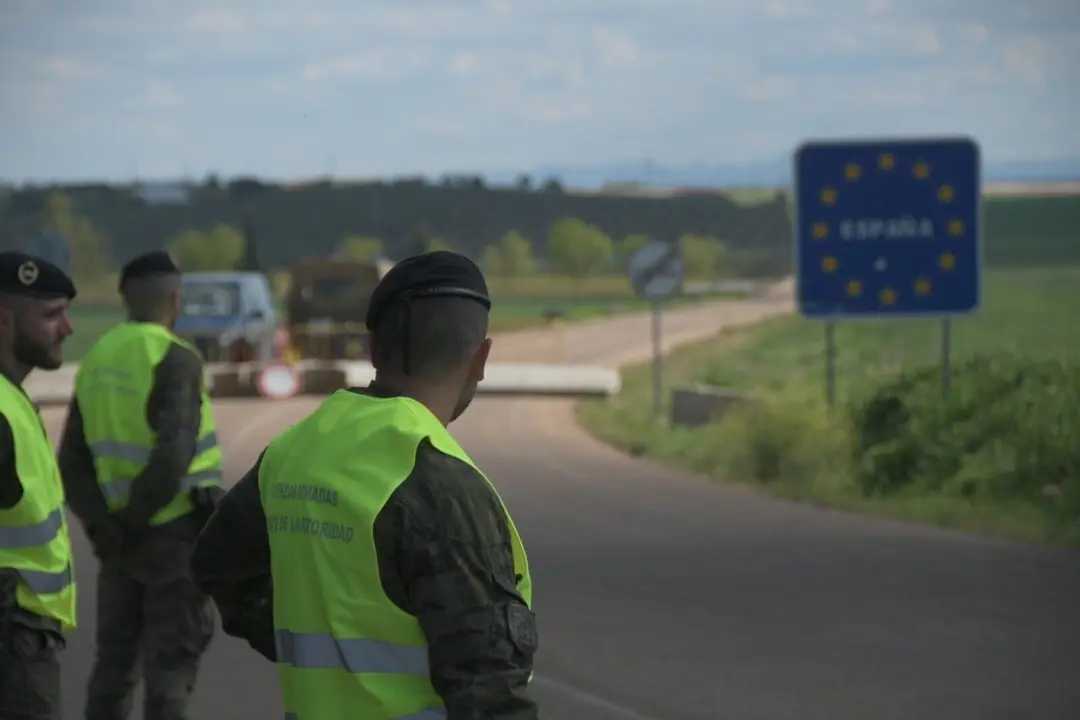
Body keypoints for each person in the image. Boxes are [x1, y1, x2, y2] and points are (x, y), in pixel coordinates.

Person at [191, 250, 539, 719]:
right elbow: (490, 694)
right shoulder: (442, 484)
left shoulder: (291, 452)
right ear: (481, 358)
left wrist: (306, 640)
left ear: (373, 349)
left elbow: (218, 561)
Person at [57, 251, 222, 720]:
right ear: (176, 298)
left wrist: (104, 527)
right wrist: (133, 522)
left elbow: (71, 461)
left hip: (116, 543)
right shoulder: (176, 357)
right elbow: (173, 455)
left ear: (123, 298)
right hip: (171, 536)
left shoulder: (96, 359)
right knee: (169, 670)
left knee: (113, 667)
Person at [0, 251, 78, 720]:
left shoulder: (12, 398)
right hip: (13, 640)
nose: (68, 328)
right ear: (4, 321)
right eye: (51, 315)